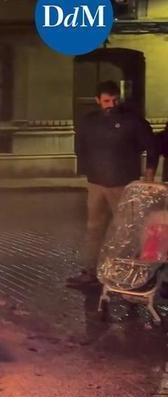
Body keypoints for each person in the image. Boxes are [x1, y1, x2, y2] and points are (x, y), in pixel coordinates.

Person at [69, 80, 158, 287]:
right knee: (94, 228)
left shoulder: (133, 121)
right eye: (107, 101)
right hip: (96, 183)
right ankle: (90, 271)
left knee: (128, 230)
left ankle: (132, 274)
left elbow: (152, 147)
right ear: (98, 100)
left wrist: (149, 175)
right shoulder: (89, 121)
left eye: (115, 100)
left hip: (123, 184)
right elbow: (80, 147)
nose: (111, 105)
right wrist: (88, 171)